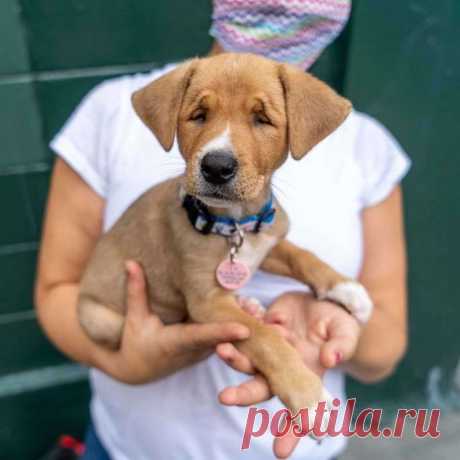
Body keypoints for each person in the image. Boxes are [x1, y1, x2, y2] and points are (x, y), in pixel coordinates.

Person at [34, 1, 410, 459]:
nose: (221, 151)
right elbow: (58, 293)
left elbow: (386, 345)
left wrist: (331, 318)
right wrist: (128, 363)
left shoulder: (364, 149)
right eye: (199, 115)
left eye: (261, 119)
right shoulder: (110, 112)